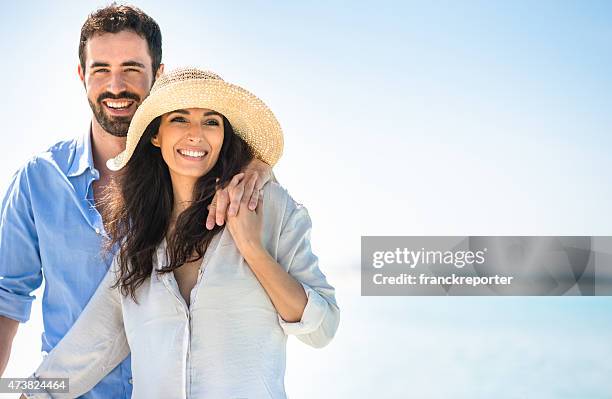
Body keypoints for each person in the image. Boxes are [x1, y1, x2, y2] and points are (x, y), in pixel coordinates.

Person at [0, 5, 270, 398]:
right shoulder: (38, 181)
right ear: (81, 76)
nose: (115, 86)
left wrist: (261, 168)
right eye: (100, 70)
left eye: (131, 69)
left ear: (158, 76)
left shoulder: (193, 177)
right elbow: (6, 300)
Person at [24, 67, 340, 399]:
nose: (196, 133)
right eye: (179, 119)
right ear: (156, 134)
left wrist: (252, 249)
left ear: (223, 136)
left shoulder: (267, 207)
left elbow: (323, 329)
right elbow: (81, 354)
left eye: (211, 121)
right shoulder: (138, 248)